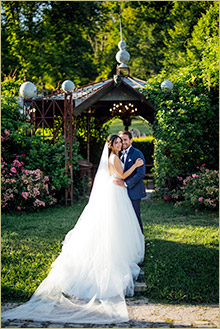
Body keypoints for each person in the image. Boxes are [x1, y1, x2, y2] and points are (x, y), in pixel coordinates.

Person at [2, 134, 145, 325]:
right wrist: (134, 167)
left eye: (121, 142)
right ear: (111, 146)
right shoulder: (113, 158)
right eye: (117, 142)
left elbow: (116, 176)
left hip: (116, 191)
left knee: (118, 223)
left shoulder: (114, 157)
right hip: (116, 192)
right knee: (114, 223)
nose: (120, 144)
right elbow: (122, 175)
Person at [114, 131, 146, 233]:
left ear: (131, 140)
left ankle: (140, 239)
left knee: (135, 216)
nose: (123, 142)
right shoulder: (118, 154)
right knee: (125, 217)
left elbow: (141, 173)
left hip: (134, 190)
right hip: (122, 192)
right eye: (120, 140)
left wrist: (126, 184)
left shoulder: (137, 153)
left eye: (125, 140)